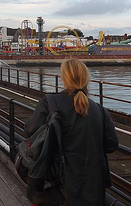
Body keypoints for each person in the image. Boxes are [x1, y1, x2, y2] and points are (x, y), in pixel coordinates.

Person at [24, 58, 118, 206]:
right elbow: (111, 145)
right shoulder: (99, 110)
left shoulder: (49, 102)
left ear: (64, 79)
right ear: (86, 79)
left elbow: (29, 130)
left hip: (58, 183)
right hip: (93, 186)